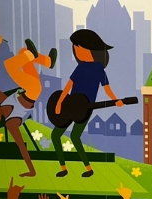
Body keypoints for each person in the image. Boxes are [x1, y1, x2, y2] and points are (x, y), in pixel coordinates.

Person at [0, 39, 57, 177]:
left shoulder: (3, 100)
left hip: (30, 86)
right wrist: (32, 170)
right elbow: (21, 147)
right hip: (32, 90)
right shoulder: (11, 123)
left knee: (23, 53)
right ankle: (34, 56)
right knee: (11, 65)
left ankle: (48, 62)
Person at [52, 29, 122, 178]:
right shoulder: (80, 67)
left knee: (75, 137)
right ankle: (63, 168)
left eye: (79, 48)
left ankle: (88, 168)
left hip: (84, 108)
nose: (76, 52)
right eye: (75, 49)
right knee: (55, 135)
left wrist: (116, 101)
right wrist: (59, 102)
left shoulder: (98, 68)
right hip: (71, 105)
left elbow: (107, 88)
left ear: (90, 49)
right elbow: (68, 86)